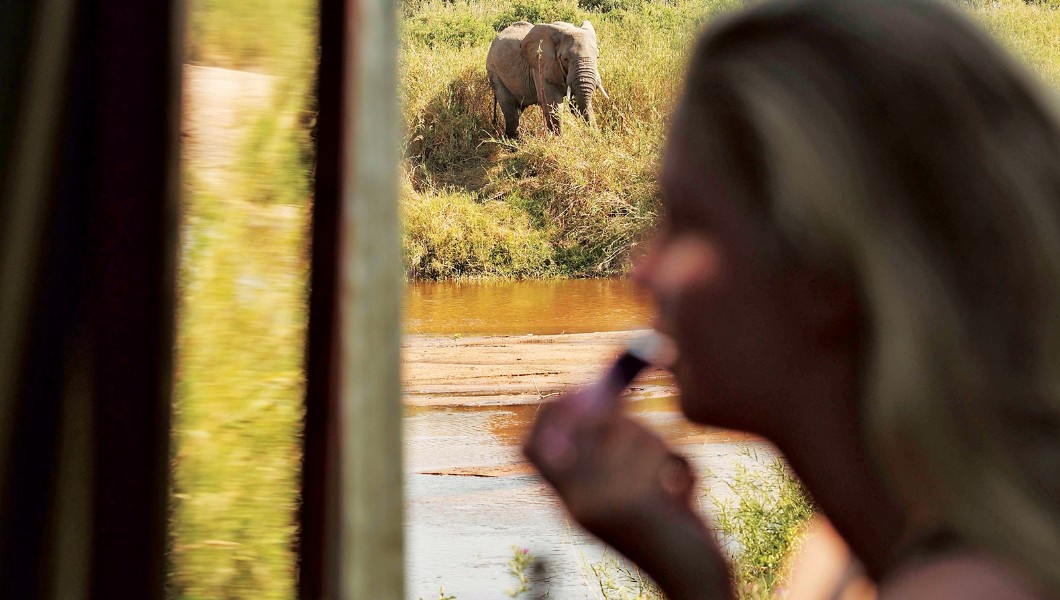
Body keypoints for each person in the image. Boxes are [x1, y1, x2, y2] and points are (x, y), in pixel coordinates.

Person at [522, 0, 1060, 598]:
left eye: (689, 225)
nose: (641, 272)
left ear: (827, 267)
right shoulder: (852, 551)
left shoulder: (963, 586)